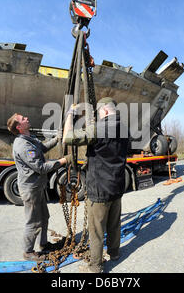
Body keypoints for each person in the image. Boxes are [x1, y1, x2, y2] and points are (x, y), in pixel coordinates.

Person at [62, 98, 129, 273]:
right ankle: (114, 253)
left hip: (99, 188)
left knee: (96, 230)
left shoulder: (99, 129)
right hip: (117, 186)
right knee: (114, 224)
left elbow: (67, 138)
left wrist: (70, 116)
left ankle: (95, 266)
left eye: (99, 114)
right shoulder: (124, 128)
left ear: (105, 111)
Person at [7, 113, 72, 262]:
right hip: (31, 190)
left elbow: (42, 147)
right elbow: (41, 167)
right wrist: (62, 161)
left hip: (37, 187)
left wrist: (56, 139)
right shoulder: (23, 145)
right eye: (23, 119)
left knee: (44, 217)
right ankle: (28, 252)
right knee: (33, 222)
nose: (27, 118)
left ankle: (43, 244)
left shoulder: (29, 139)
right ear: (19, 127)